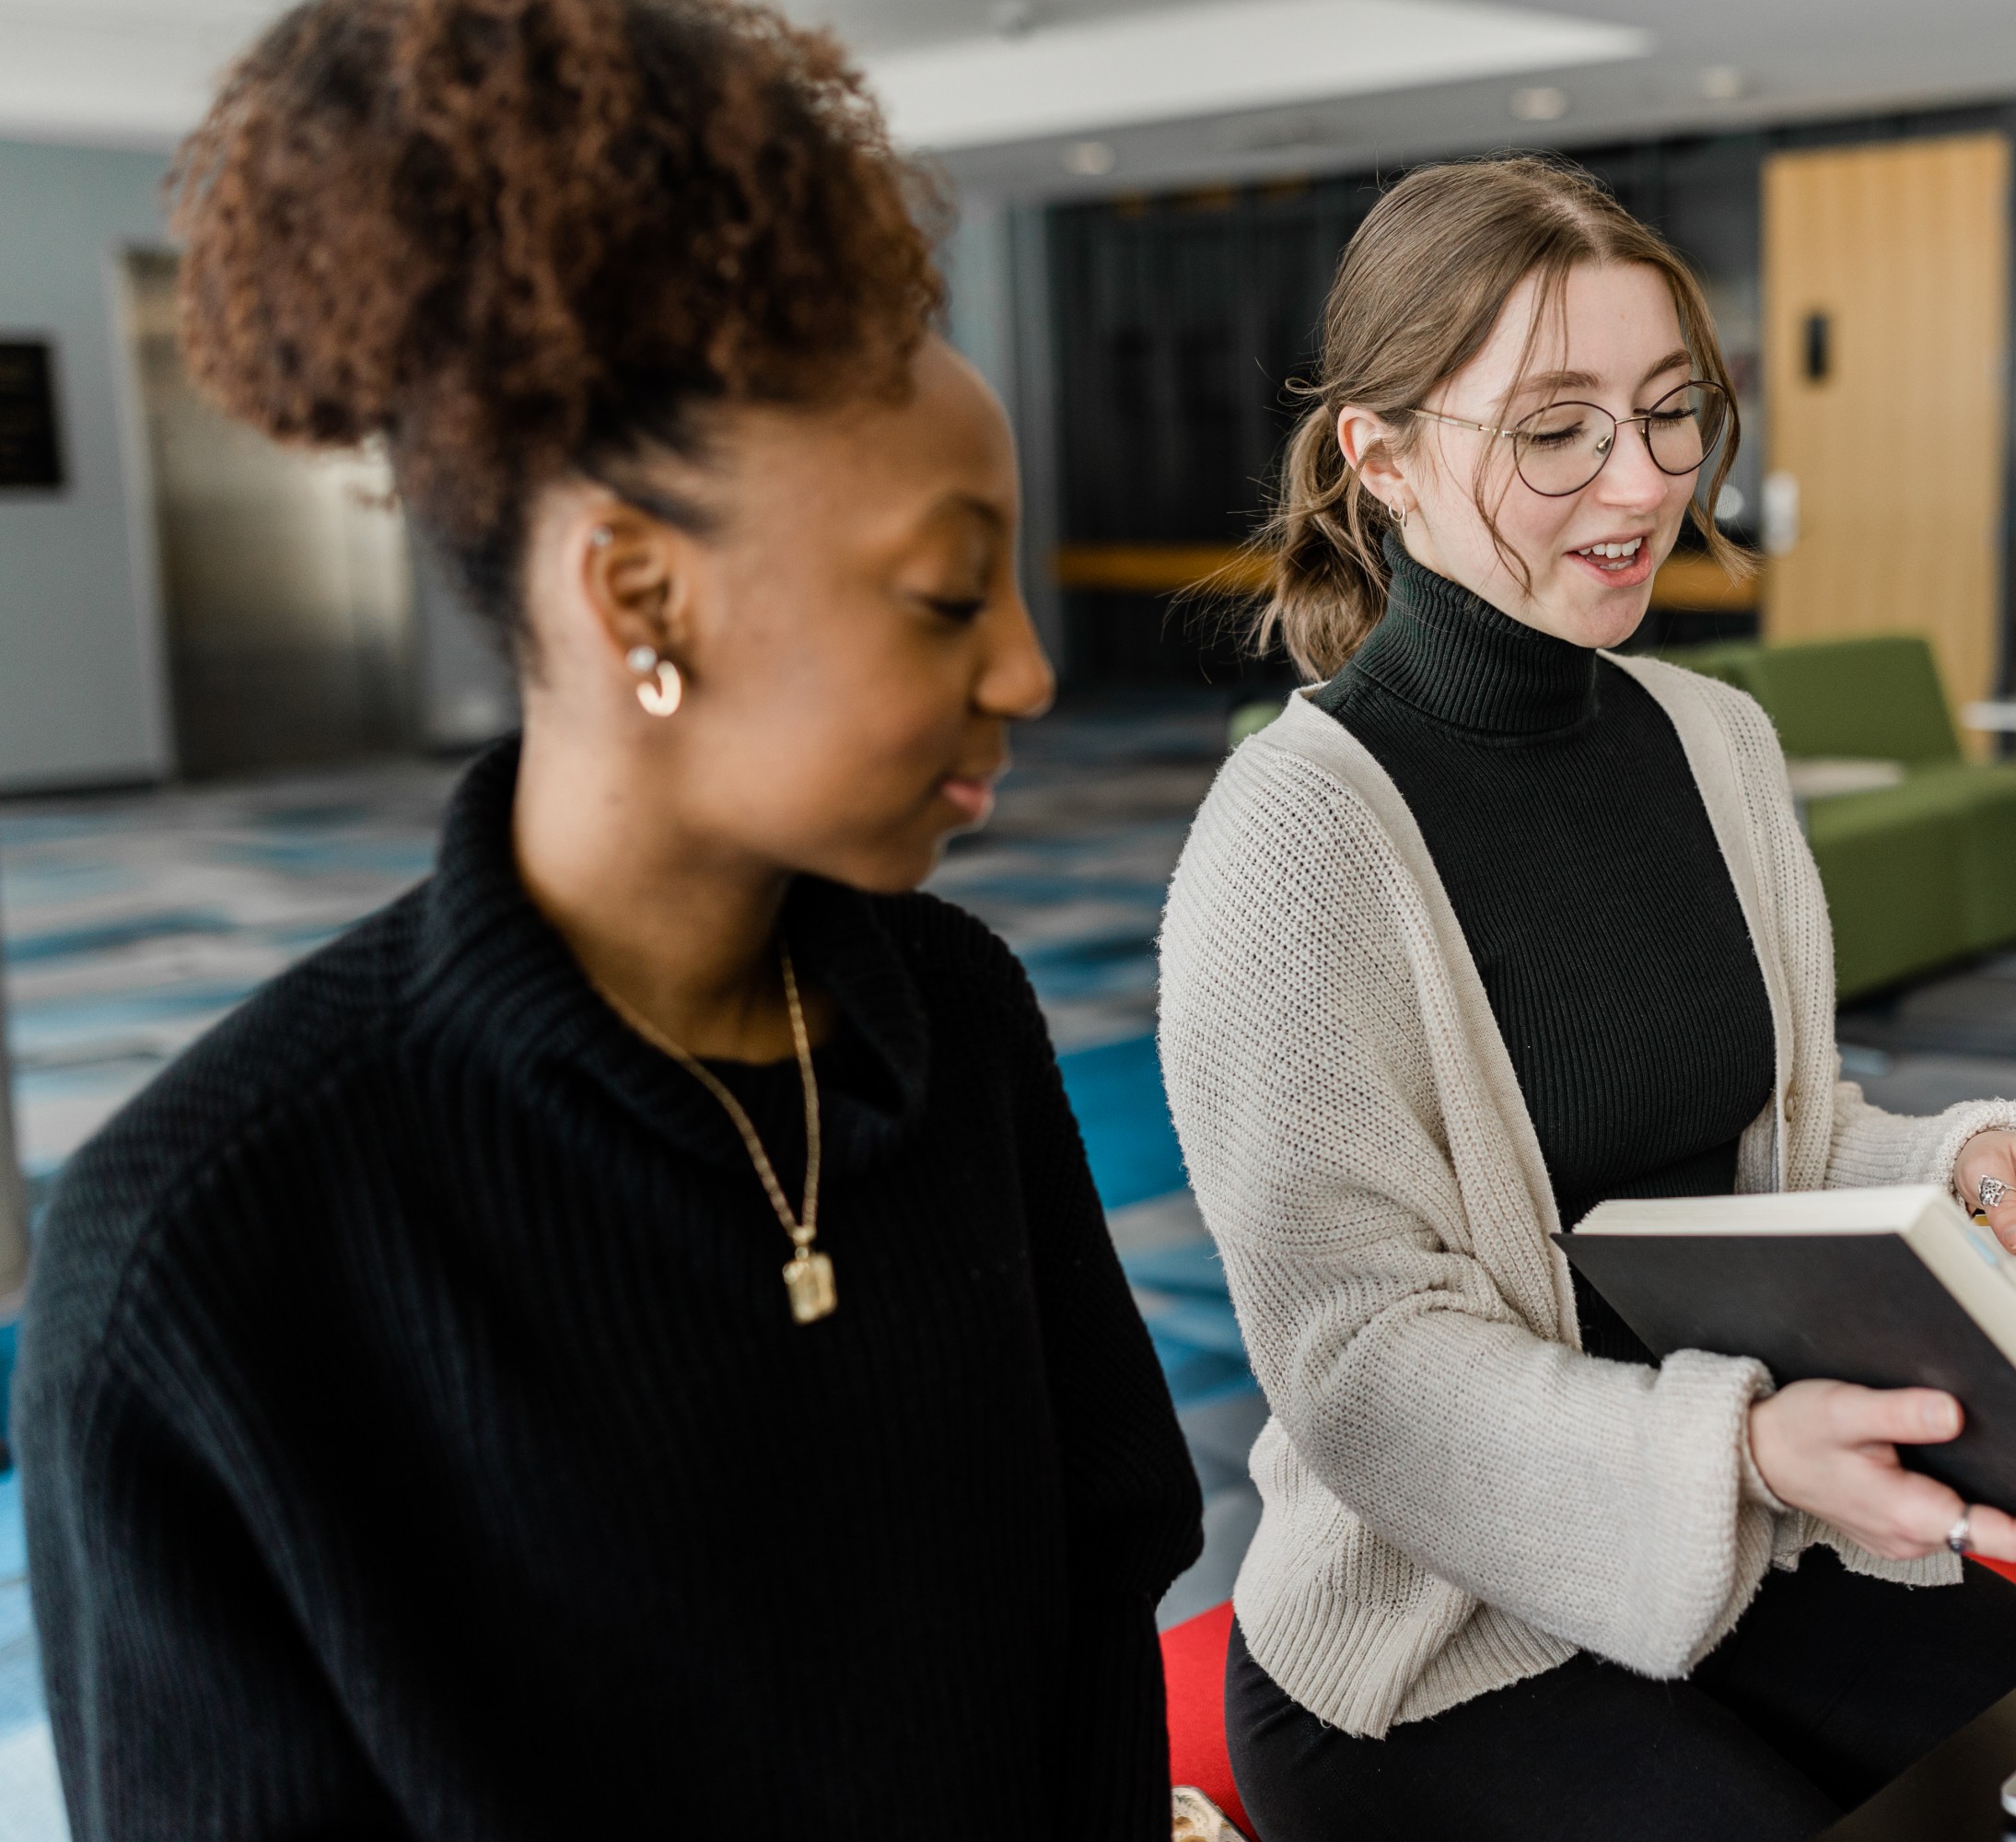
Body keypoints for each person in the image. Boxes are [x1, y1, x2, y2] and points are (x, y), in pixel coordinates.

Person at [17, 3, 1200, 1836]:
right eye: (949, 596)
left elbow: (1096, 1605)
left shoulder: (948, 1017)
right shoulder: (207, 1257)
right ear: (637, 594)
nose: (1032, 672)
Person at [1156, 156, 2016, 1841]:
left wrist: (1963, 1173)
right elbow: (1357, 1364)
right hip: (1432, 1642)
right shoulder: (1292, 837)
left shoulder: (1713, 741)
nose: (1636, 482)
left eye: (1669, 415)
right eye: (1554, 428)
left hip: (1754, 1541)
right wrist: (1738, 1455)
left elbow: (1773, 1148)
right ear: (1385, 456)